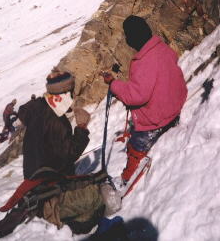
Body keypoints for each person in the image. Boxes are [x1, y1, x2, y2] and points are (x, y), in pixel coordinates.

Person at [17, 69, 121, 233]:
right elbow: (68, 155)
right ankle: (79, 225)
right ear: (62, 95)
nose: (72, 98)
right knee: (97, 197)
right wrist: (81, 128)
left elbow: (25, 110)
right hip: (49, 196)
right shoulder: (56, 123)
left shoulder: (38, 107)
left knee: (91, 190)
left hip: (37, 189)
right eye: (71, 93)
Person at [101, 15, 188, 188]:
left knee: (136, 145)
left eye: (128, 36)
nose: (127, 39)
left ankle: (126, 179)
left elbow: (137, 96)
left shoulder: (143, 61)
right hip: (173, 106)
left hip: (156, 117)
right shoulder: (163, 49)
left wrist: (113, 84)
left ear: (133, 37)